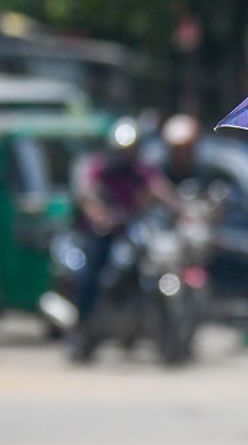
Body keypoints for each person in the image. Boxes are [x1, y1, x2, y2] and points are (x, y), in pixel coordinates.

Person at [70, 117, 180, 355]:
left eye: (130, 151)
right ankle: (82, 327)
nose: (126, 156)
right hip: (105, 232)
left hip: (133, 230)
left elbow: (160, 189)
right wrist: (98, 213)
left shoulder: (141, 171)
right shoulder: (99, 168)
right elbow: (86, 193)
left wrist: (181, 208)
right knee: (91, 274)